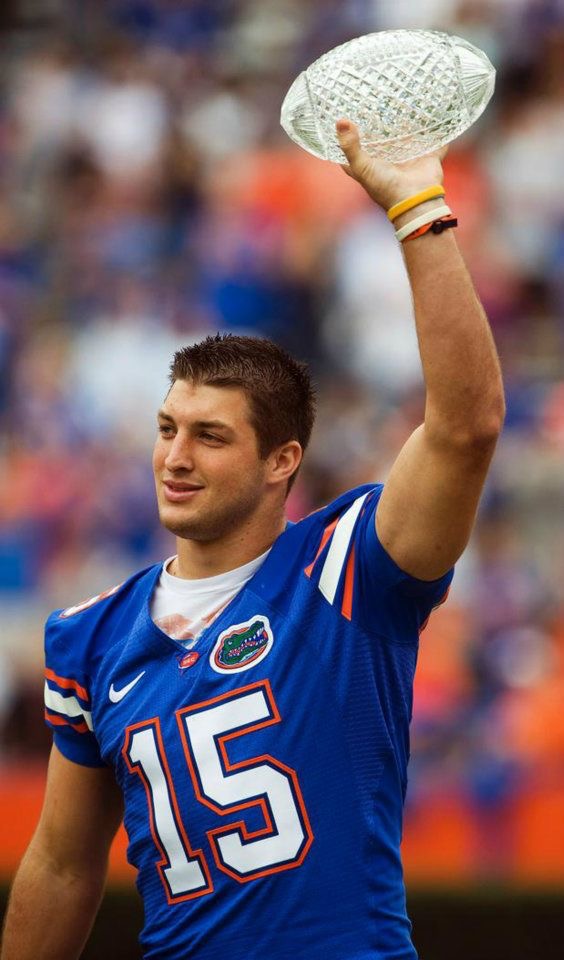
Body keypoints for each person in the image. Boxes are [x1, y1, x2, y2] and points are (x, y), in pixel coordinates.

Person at [0, 121, 504, 960]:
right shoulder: (88, 636)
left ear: (282, 461)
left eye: (209, 436)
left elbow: (465, 429)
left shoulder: (347, 570)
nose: (175, 456)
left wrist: (419, 212)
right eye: (167, 428)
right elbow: (59, 866)